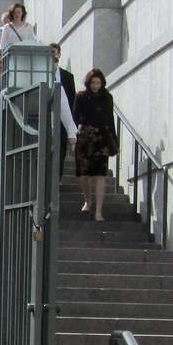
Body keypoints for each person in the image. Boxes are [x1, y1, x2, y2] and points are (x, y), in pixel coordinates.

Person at [72, 69, 118, 222]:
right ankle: (87, 200)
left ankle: (99, 211)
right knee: (84, 175)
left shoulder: (107, 98)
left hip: (102, 139)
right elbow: (74, 117)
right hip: (85, 137)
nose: (96, 86)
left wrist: (114, 142)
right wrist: (72, 135)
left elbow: (110, 120)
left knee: (100, 175)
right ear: (88, 83)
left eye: (98, 83)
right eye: (93, 82)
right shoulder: (81, 97)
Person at [51, 43, 77, 177]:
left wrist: (72, 129)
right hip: (47, 119)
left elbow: (71, 101)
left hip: (62, 120)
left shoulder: (67, 77)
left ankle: (58, 178)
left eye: (55, 54)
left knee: (61, 149)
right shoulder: (42, 76)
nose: (54, 58)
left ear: (59, 55)